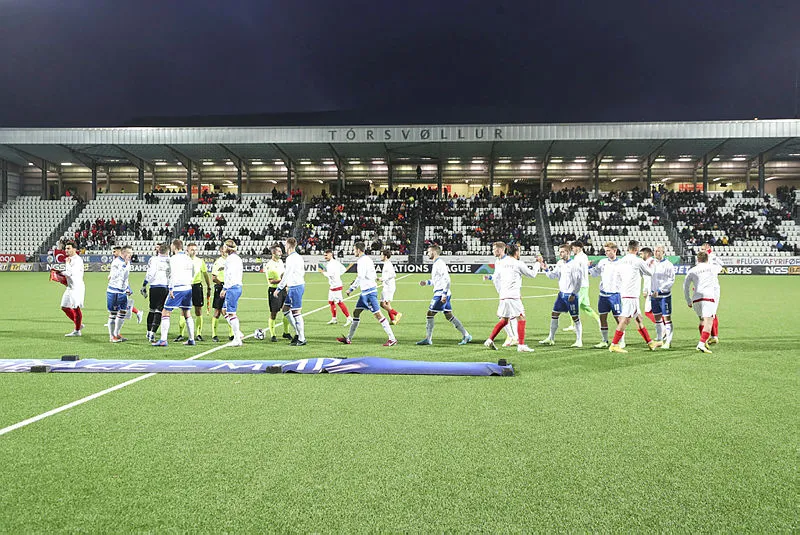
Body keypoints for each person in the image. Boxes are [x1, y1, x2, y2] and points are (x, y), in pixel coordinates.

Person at [482, 242, 541, 352]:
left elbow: (497, 277)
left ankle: (489, 340)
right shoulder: (518, 263)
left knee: (504, 320)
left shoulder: (501, 263)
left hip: (503, 295)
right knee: (521, 318)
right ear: (516, 252)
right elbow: (532, 274)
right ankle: (521, 345)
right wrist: (538, 263)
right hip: (513, 295)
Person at [336, 241, 397, 346]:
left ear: (358, 250)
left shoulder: (362, 261)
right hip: (365, 292)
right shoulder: (368, 259)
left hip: (369, 292)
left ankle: (392, 339)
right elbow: (371, 275)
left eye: (354, 250)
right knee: (356, 313)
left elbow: (361, 276)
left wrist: (351, 289)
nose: (353, 252)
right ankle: (348, 338)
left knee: (378, 315)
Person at [608, 240, 660, 353]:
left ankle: (650, 343)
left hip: (625, 293)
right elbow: (650, 273)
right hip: (631, 295)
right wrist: (652, 264)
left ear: (628, 248)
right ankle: (614, 344)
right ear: (637, 249)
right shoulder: (638, 261)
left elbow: (617, 278)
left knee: (639, 319)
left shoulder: (621, 261)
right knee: (625, 320)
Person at [415, 244, 471, 346]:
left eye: (429, 251)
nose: (427, 253)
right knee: (448, 315)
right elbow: (437, 281)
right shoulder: (436, 263)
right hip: (443, 292)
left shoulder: (439, 263)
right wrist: (426, 282)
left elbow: (447, 279)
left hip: (441, 293)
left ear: (434, 252)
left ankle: (428, 339)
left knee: (430, 313)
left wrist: (444, 294)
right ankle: (466, 335)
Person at [152, 239, 197, 347]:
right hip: (188, 288)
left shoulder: (173, 259)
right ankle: (191, 339)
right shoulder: (188, 258)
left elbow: (172, 274)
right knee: (187, 312)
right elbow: (193, 272)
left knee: (165, 312)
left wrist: (171, 288)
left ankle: (163, 340)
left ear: (174, 247)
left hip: (177, 288)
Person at [539, 244, 583, 347]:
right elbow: (553, 276)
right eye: (560, 252)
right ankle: (551, 338)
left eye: (562, 252)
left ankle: (579, 340)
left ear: (568, 252)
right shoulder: (560, 263)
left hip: (571, 295)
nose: (560, 254)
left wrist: (574, 293)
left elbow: (578, 282)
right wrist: (546, 270)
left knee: (575, 317)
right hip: (561, 294)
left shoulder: (574, 265)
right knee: (554, 314)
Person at [683, 250, 723, 353]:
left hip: (696, 299)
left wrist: (688, 300)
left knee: (702, 320)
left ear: (697, 259)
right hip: (708, 298)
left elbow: (685, 286)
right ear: (707, 259)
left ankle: (703, 342)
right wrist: (713, 256)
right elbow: (721, 266)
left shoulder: (692, 270)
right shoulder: (713, 268)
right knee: (709, 322)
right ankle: (701, 344)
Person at [588, 242, 624, 349]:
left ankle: (621, 341)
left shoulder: (621, 263)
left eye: (608, 250)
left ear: (615, 250)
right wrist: (589, 267)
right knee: (602, 318)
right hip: (603, 295)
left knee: (618, 319)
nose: (606, 253)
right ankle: (604, 340)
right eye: (606, 251)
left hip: (615, 295)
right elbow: (595, 273)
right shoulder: (602, 262)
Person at [174, 243, 212, 342]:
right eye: (192, 249)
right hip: (186, 286)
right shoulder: (184, 261)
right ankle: (181, 334)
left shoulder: (200, 261)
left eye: (195, 249)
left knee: (198, 310)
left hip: (197, 286)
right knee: (183, 310)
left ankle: (198, 334)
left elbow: (205, 274)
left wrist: (208, 286)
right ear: (187, 250)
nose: (194, 251)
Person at [563, 241, 601, 333]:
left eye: (573, 248)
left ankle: (575, 326)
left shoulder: (579, 258)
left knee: (573, 305)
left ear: (578, 248)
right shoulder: (583, 257)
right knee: (585, 307)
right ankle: (599, 320)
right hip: (583, 284)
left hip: (581, 285)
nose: (572, 249)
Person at [275, 237, 306, 346]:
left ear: (288, 245)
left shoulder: (291, 258)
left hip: (295, 287)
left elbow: (287, 274)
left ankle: (301, 338)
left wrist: (279, 288)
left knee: (296, 312)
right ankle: (297, 332)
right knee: (285, 309)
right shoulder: (299, 257)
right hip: (297, 285)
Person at [141, 243, 170, 343]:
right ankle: (153, 333)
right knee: (159, 310)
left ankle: (148, 332)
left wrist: (144, 284)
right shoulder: (170, 260)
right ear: (167, 251)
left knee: (151, 309)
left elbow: (150, 273)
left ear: (159, 250)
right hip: (164, 287)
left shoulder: (153, 259)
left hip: (153, 287)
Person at [263, 245, 293, 343]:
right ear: (273, 253)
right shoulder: (269, 265)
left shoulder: (280, 262)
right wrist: (283, 280)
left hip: (283, 289)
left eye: (281, 251)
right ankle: (273, 334)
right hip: (274, 290)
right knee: (274, 313)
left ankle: (286, 332)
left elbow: (283, 275)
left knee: (287, 310)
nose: (281, 253)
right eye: (279, 251)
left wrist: (286, 285)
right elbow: (271, 281)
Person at [650, 245, 675, 349]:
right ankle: (660, 339)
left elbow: (671, 280)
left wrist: (660, 290)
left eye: (659, 251)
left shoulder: (668, 265)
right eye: (655, 251)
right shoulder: (651, 263)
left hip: (664, 295)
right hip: (653, 295)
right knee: (657, 318)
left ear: (663, 252)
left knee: (667, 318)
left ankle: (668, 341)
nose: (656, 253)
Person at [220, 240, 245, 346]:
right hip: (237, 286)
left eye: (224, 246)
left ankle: (237, 339)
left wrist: (224, 288)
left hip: (232, 287)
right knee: (224, 310)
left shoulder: (230, 259)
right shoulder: (237, 258)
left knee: (231, 313)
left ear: (228, 248)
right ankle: (238, 333)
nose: (223, 248)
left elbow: (229, 275)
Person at [106, 245, 133, 343]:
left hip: (122, 291)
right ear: (123, 253)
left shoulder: (127, 262)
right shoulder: (116, 262)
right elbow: (114, 276)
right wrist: (123, 266)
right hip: (114, 291)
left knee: (123, 312)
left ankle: (117, 333)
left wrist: (128, 288)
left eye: (131, 252)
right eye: (128, 252)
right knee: (113, 313)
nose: (131, 254)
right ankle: (111, 336)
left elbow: (125, 277)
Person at [318, 249, 352, 326]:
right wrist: (337, 275)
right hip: (333, 285)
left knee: (339, 302)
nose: (325, 257)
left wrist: (322, 272)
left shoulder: (331, 264)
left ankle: (349, 318)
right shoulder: (336, 262)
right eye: (324, 255)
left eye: (326, 255)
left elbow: (330, 274)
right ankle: (334, 319)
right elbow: (343, 269)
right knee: (331, 301)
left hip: (336, 285)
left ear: (331, 254)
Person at [59, 240, 85, 336]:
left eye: (68, 248)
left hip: (76, 288)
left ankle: (77, 331)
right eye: (65, 248)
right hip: (70, 287)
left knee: (75, 308)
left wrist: (61, 272)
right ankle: (78, 324)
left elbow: (70, 273)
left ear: (74, 249)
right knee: (64, 307)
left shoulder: (77, 260)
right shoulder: (70, 259)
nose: (66, 250)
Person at [210, 244, 234, 343]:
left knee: (230, 311)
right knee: (217, 311)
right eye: (222, 250)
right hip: (220, 288)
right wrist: (222, 284)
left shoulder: (231, 261)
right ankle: (214, 334)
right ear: (220, 251)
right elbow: (214, 278)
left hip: (230, 288)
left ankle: (231, 334)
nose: (224, 252)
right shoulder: (218, 262)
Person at [700, 242, 722, 344]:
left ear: (709, 249)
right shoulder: (700, 261)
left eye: (704, 249)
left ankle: (712, 337)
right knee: (703, 314)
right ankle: (708, 337)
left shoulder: (713, 259)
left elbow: (721, 265)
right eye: (701, 249)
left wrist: (711, 255)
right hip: (702, 289)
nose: (702, 251)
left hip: (713, 289)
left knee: (711, 312)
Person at [378, 249, 402, 325]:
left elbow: (392, 275)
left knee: (382, 304)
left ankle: (397, 313)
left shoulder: (388, 264)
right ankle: (392, 320)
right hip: (389, 286)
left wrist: (382, 279)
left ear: (385, 256)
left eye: (381, 255)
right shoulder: (387, 264)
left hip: (388, 287)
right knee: (387, 304)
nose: (380, 256)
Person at [639, 247, 657, 323]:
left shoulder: (649, 262)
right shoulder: (652, 261)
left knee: (648, 312)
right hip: (653, 289)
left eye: (641, 254)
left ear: (647, 254)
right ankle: (663, 324)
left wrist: (645, 290)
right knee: (654, 311)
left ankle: (662, 325)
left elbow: (648, 277)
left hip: (651, 289)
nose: (640, 256)